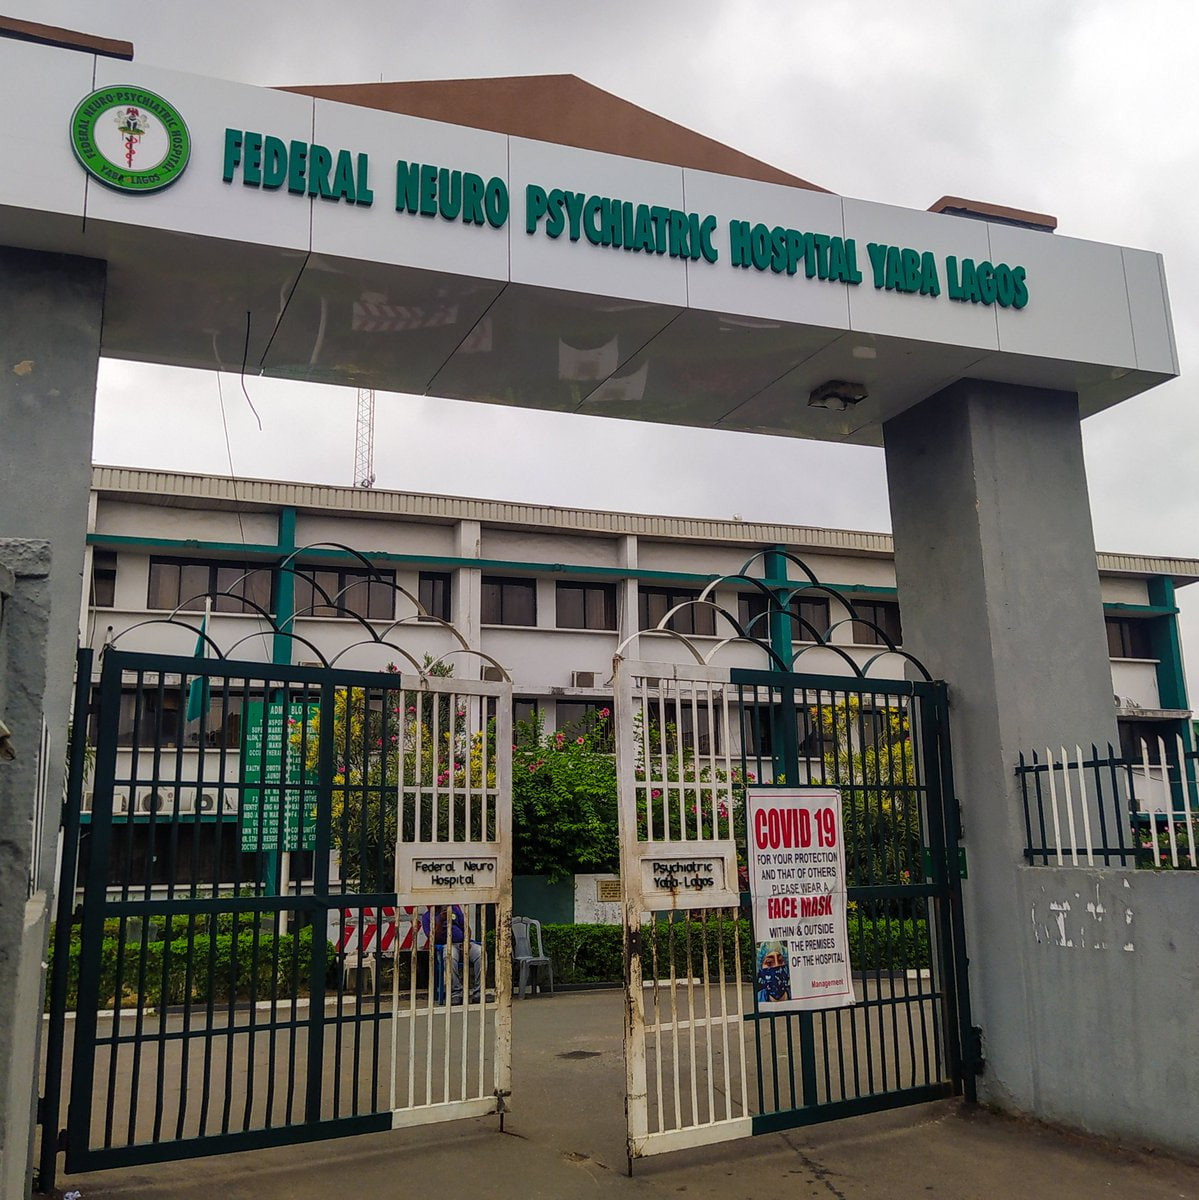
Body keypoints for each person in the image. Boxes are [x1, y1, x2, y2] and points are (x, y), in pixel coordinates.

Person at [420, 904, 483, 1004]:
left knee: (481, 953)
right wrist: (440, 920)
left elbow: (466, 928)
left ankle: (478, 992)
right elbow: (433, 939)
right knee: (450, 956)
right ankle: (456, 992)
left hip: (463, 943)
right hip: (445, 945)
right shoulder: (427, 917)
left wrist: (466, 942)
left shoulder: (454, 909)